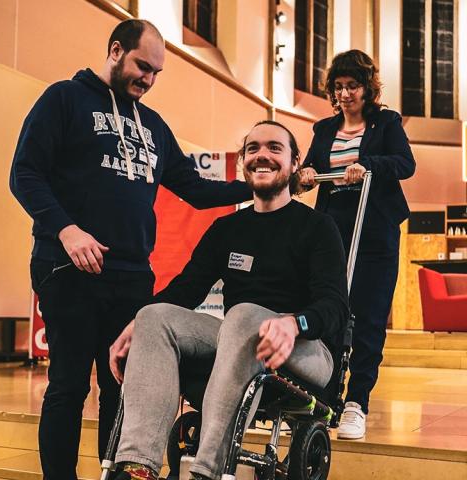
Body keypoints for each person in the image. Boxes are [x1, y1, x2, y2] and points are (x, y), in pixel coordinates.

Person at [9, 19, 251, 480]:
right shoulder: (64, 99)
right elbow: (24, 175)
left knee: (122, 387)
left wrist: (261, 186)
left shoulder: (154, 125)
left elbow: (194, 190)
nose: (150, 79)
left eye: (158, 72)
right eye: (144, 66)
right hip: (68, 267)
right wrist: (66, 230)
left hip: (131, 276)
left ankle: (114, 474)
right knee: (69, 384)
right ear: (116, 50)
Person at [109, 120, 349, 480]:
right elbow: (186, 289)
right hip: (240, 339)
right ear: (243, 162)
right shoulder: (227, 229)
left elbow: (335, 308)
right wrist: (136, 324)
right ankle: (137, 467)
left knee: (243, 314)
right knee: (154, 316)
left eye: (274, 148)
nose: (262, 156)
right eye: (252, 149)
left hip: (307, 348)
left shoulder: (317, 227)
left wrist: (293, 322)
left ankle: (206, 472)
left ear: (295, 163)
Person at [301, 49, 416, 439]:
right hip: (333, 233)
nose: (346, 94)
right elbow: (313, 168)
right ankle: (326, 396)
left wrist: (369, 166)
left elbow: (405, 163)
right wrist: (306, 175)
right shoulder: (323, 130)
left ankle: (357, 402)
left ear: (368, 88)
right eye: (339, 87)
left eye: (353, 86)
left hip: (375, 233)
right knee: (330, 313)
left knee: (368, 317)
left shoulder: (385, 122)